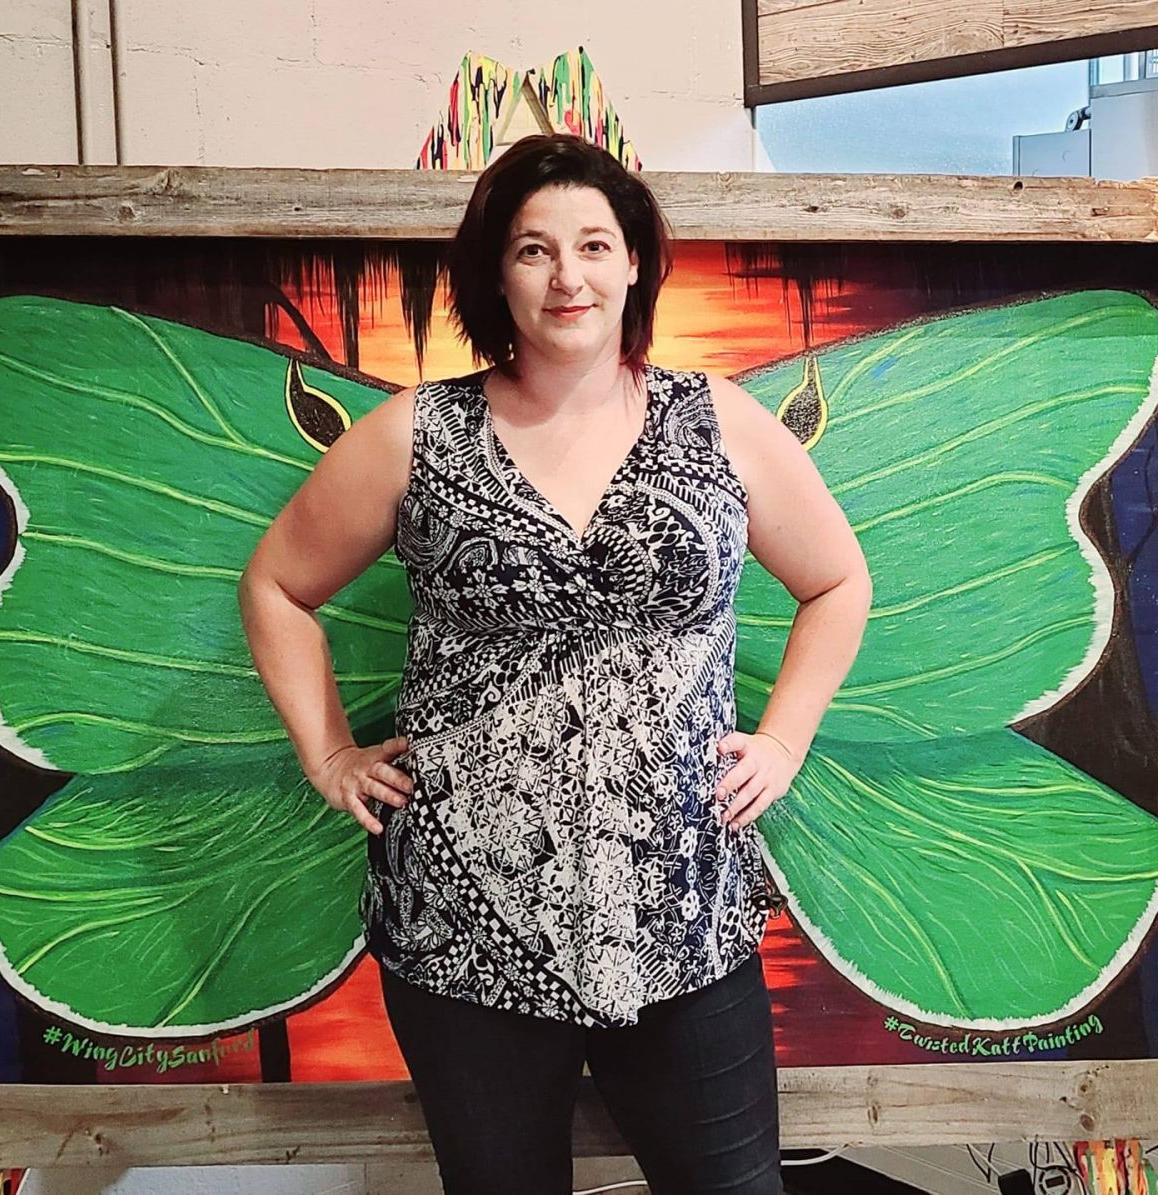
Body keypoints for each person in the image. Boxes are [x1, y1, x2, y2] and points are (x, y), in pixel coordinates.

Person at [238, 133, 871, 1195]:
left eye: (593, 244)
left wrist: (786, 737)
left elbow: (839, 582)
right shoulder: (415, 434)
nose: (566, 275)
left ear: (635, 266)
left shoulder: (717, 422)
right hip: (462, 928)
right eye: (534, 250)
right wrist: (330, 754)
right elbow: (278, 587)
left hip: (684, 912)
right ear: (496, 273)